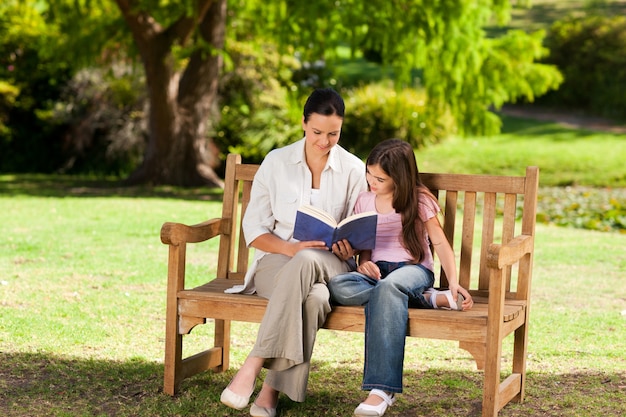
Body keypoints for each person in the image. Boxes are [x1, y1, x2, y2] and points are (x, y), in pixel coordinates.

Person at [220, 88, 367, 417]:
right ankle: (269, 393)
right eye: (317, 132)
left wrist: (350, 244)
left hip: (334, 265)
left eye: (333, 134)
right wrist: (290, 247)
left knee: (309, 264)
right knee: (313, 299)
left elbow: (361, 230)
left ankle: (252, 364)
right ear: (303, 123)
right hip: (277, 263)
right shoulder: (277, 162)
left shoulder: (354, 170)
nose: (324, 141)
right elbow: (254, 229)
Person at [328, 138, 474, 417]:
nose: (372, 181)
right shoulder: (365, 199)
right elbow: (365, 245)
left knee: (391, 287)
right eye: (369, 174)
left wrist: (453, 282)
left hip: (412, 269)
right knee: (339, 286)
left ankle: (382, 389)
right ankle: (430, 300)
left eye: (380, 178)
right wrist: (365, 264)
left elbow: (440, 244)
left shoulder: (419, 200)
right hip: (379, 274)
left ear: (400, 177)